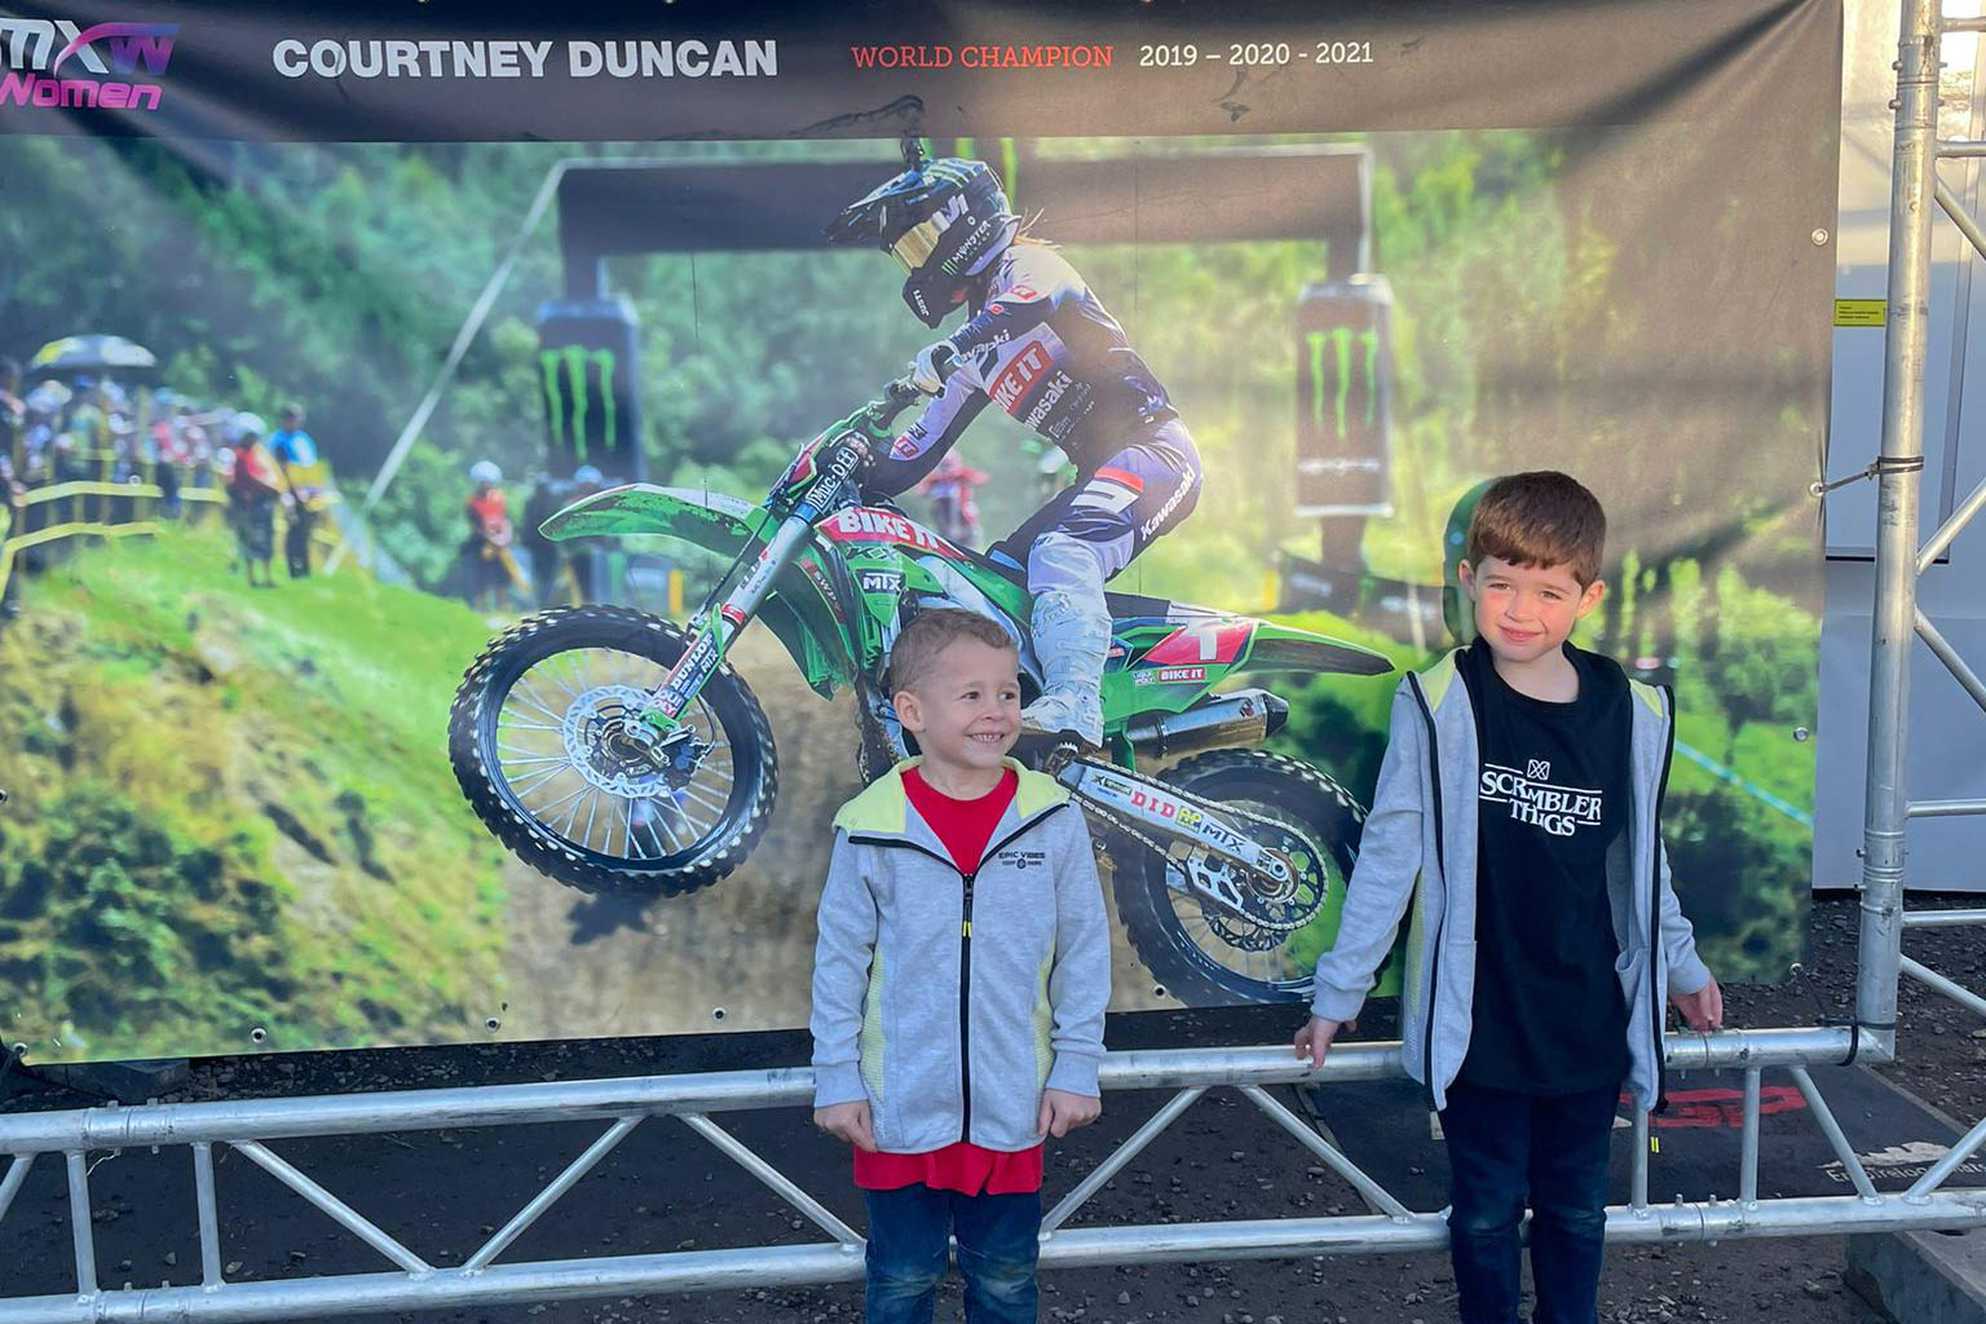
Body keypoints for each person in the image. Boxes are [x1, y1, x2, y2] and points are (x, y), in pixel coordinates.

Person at [1292, 471, 1725, 1324]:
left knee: (1574, 1210)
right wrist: (1338, 994)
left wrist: (1680, 962)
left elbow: (1644, 860)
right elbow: (1391, 855)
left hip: (1586, 1016)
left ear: (1587, 596)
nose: (1520, 609)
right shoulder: (1440, 702)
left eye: (1548, 591)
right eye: (1502, 585)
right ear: (1468, 582)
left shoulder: (1628, 711)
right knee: (1485, 1214)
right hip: (1482, 1019)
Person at [827, 153, 1200, 748]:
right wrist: (852, 467)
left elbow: (1032, 302)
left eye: (920, 241)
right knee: (992, 581)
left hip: (1154, 452)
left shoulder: (1029, 265)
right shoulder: (974, 355)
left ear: (963, 222)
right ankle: (1021, 720)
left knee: (1063, 550)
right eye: (907, 252)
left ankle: (1077, 707)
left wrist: (958, 343)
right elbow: (913, 456)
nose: (917, 262)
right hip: (1102, 472)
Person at [810, 608, 1110, 1324]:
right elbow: (839, 961)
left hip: (1013, 1103)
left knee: (1006, 1282)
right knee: (902, 1282)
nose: (996, 712)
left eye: (1007, 692)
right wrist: (837, 1077)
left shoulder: (1053, 817)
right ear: (911, 711)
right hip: (899, 1110)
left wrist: (1076, 1066)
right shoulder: (871, 825)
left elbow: (1085, 952)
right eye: (970, 694)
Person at [223, 413, 283, 588]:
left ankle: (267, 576)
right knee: (249, 539)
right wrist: (269, 488)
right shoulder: (242, 455)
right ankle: (251, 577)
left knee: (265, 539)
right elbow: (250, 478)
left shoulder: (259, 454)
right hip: (249, 503)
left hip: (261, 502)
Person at [461, 459, 522, 613]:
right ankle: (482, 607)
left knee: (502, 575)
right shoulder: (472, 501)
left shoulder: (499, 497)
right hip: (481, 542)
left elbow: (505, 518)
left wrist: (505, 537)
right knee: (481, 576)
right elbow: (475, 525)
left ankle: (503, 606)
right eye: (483, 482)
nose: (486, 485)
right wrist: (490, 539)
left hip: (501, 542)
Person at [268, 404, 322, 579]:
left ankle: (305, 569)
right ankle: (294, 569)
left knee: (306, 531)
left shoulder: (304, 440)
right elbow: (282, 468)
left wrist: (316, 489)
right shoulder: (279, 441)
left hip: (309, 492)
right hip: (291, 492)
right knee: (294, 530)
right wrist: (295, 491)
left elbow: (312, 465)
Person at [915, 451, 989, 550]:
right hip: (944, 518)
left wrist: (966, 479)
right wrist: (931, 491)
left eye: (948, 465)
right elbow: (921, 491)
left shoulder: (961, 475)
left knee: (969, 516)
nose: (946, 469)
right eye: (944, 465)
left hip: (964, 515)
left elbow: (981, 479)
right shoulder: (935, 480)